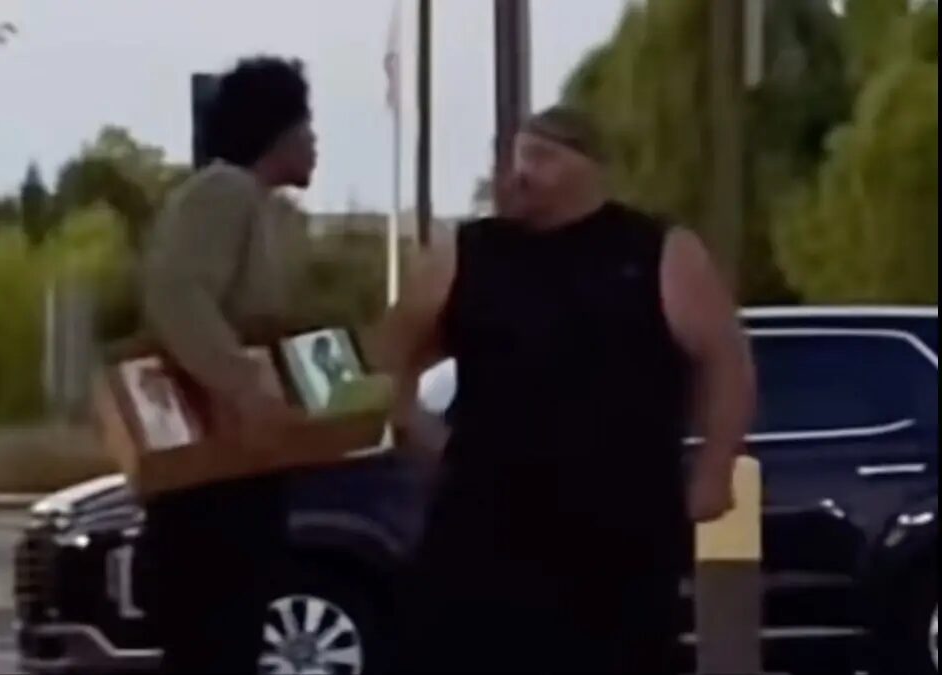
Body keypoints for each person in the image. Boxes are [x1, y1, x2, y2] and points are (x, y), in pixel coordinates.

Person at [378, 106, 756, 673]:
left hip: (621, 519)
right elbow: (394, 349)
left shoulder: (656, 251)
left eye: (540, 157)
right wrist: (414, 426)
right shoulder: (468, 251)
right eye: (515, 158)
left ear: (589, 166)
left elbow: (726, 360)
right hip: (487, 516)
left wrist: (714, 468)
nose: (520, 173)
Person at [141, 56, 316, 674]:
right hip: (214, 473)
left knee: (232, 638)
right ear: (278, 132)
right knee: (215, 636)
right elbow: (177, 294)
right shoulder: (223, 192)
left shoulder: (255, 205)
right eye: (306, 125)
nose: (315, 142)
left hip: (239, 467)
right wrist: (245, 387)